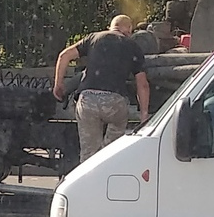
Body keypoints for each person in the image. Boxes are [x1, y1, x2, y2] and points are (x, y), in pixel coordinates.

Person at [53, 14, 150, 163]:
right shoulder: (132, 46)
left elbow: (64, 56)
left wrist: (58, 84)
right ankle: (108, 154)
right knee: (113, 145)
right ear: (129, 30)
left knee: (88, 153)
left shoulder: (94, 38)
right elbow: (142, 84)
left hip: (88, 101)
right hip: (115, 102)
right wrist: (144, 114)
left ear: (110, 27)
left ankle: (89, 173)